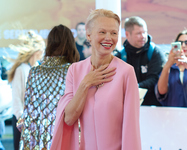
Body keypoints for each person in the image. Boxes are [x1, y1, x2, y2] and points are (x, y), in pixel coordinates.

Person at [50, 9, 141, 150]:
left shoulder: (126, 72)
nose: (108, 38)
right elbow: (68, 118)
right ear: (88, 35)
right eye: (102, 32)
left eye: (114, 33)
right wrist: (86, 83)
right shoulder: (75, 70)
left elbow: (131, 126)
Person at [18, 24, 80, 150]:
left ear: (50, 44)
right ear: (70, 44)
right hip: (65, 135)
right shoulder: (74, 71)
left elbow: (29, 110)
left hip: (39, 137)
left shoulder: (34, 72)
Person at [7, 30, 45, 150]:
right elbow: (17, 99)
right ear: (37, 51)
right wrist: (22, 121)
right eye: (43, 49)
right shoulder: (21, 69)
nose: (44, 52)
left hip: (36, 121)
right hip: (22, 122)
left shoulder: (38, 67)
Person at [119, 16, 166, 106]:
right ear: (127, 34)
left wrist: (135, 87)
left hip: (153, 107)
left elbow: (155, 79)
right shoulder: (120, 56)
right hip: (129, 107)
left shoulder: (155, 52)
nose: (143, 36)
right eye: (138, 33)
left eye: (145, 32)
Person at [155, 29, 187, 108]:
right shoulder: (170, 67)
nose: (183, 45)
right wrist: (168, 64)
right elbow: (161, 92)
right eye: (180, 43)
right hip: (172, 115)